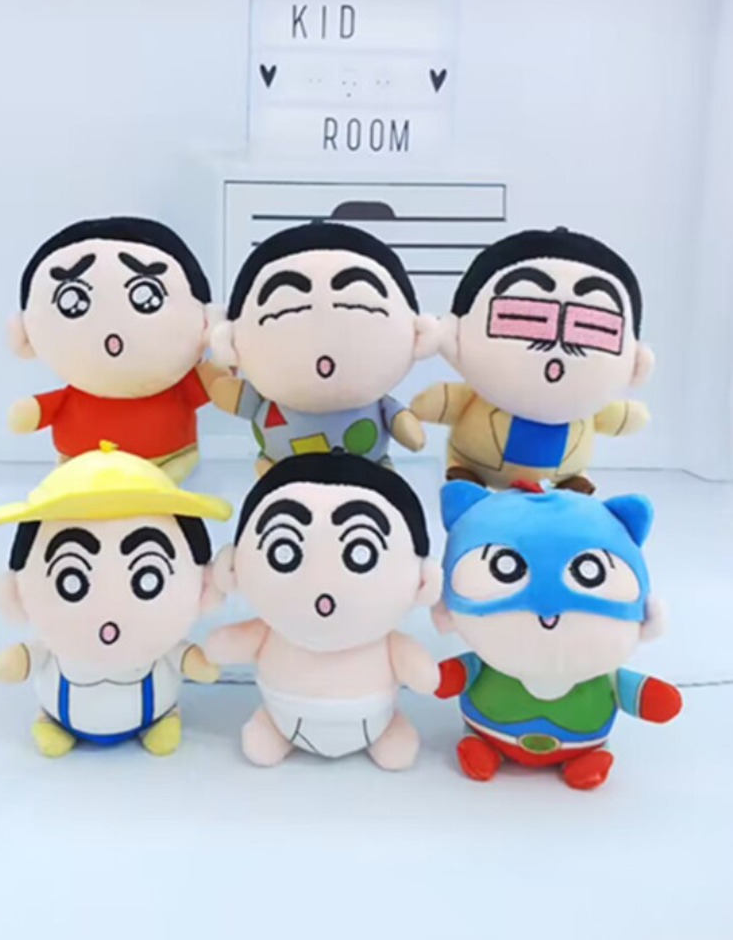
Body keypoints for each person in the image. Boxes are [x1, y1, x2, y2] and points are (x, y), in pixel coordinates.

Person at [0, 441, 232, 757]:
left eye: (149, 577)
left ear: (203, 587)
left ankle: (162, 719)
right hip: (62, 715)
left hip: (153, 712)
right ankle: (51, 721)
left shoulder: (162, 646)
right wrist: (16, 661)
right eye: (70, 581)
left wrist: (199, 662)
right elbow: (22, 661)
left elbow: (190, 661)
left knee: (163, 732)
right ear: (15, 592)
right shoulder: (52, 645)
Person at [433, 480, 681, 788]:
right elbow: (451, 676)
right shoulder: (487, 660)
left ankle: (588, 755)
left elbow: (648, 697)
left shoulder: (600, 670)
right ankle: (483, 744)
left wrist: (647, 696)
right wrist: (439, 677)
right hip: (488, 731)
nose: (547, 611)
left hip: (581, 740)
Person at [205, 453, 440, 769]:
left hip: (373, 721)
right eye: (284, 551)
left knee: (396, 751)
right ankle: (274, 729)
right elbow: (221, 647)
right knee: (261, 747)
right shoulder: (268, 630)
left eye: (361, 552)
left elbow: (424, 676)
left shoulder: (388, 643)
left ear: (423, 579)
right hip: (284, 718)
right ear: (233, 568)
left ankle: (387, 730)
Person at [411, 227, 653, 492]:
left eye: (591, 327)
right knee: (464, 489)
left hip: (563, 475)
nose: (556, 350)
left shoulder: (586, 410)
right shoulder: (476, 396)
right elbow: (436, 404)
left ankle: (570, 485)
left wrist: (625, 415)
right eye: (525, 318)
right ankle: (467, 480)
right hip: (476, 468)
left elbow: (622, 418)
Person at [209, 222, 439, 475]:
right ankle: (274, 475)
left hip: (367, 469)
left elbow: (404, 427)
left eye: (356, 308)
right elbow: (232, 396)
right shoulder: (267, 397)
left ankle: (380, 478)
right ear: (231, 339)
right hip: (280, 467)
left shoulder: (379, 404)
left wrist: (405, 426)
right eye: (288, 312)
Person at [7, 216, 223, 481]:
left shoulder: (181, 387)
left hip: (167, 465)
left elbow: (219, 383)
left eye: (148, 297)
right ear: (24, 332)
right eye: (71, 302)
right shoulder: (73, 394)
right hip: (81, 468)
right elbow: (29, 414)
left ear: (205, 322)